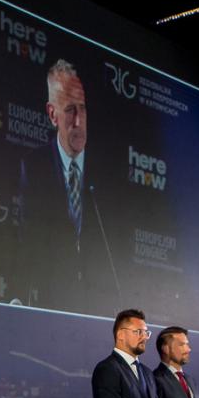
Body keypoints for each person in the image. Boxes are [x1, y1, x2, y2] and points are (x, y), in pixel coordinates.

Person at [16, 59, 118, 315]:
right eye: (70, 110)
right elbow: (26, 242)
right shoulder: (35, 167)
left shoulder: (107, 174)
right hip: (51, 308)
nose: (79, 121)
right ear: (53, 114)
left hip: (97, 311)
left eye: (82, 109)